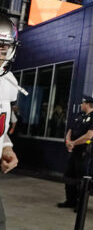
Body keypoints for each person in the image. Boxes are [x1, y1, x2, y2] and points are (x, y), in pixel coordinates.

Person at [57, 95, 93, 209]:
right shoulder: (79, 115)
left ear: (87, 104)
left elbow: (89, 136)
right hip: (74, 150)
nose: (81, 105)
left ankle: (80, 204)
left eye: (82, 103)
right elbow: (70, 130)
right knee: (69, 175)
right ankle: (70, 200)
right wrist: (68, 141)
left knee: (81, 178)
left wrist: (73, 143)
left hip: (85, 151)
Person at [0, 13, 20, 230]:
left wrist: (6, 147)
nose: (1, 53)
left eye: (4, 47)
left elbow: (0, 129)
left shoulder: (7, 81)